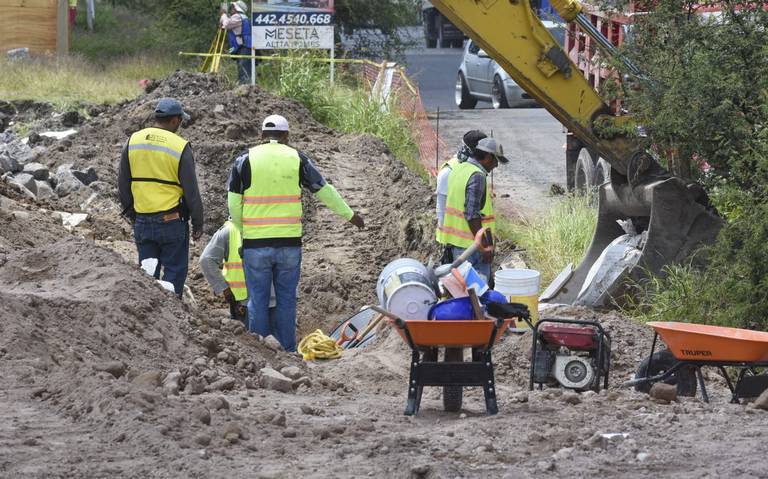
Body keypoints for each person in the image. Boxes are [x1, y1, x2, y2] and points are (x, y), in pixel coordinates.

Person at [227, 114, 364, 352]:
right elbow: (324, 190)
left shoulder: (244, 160)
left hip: (256, 246)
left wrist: (243, 231)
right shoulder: (297, 159)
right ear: (287, 136)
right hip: (289, 245)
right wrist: (349, 215)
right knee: (286, 300)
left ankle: (262, 353)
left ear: (261, 136)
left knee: (257, 301)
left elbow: (233, 206)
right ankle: (288, 351)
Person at [118, 98, 203, 297]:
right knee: (173, 279)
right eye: (180, 121)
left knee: (147, 279)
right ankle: (173, 322)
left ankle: (149, 320)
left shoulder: (133, 141)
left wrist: (132, 213)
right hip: (172, 222)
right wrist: (198, 223)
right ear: (174, 120)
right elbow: (191, 191)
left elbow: (123, 184)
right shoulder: (180, 147)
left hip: (142, 220)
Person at [442, 137, 508, 280]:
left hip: (456, 245)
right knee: (477, 292)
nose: (496, 165)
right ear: (488, 157)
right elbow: (471, 213)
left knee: (461, 291)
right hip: (472, 248)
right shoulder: (477, 176)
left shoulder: (458, 168)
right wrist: (484, 246)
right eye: (496, 160)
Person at [199, 220, 277, 325]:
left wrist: (224, 288)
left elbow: (206, 260)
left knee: (251, 339)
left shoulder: (229, 231)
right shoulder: (275, 225)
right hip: (275, 300)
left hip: (246, 303)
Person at [435, 130, 487, 264]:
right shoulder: (450, 171)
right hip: (463, 246)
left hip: (472, 242)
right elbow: (442, 213)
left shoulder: (472, 169)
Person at [220, 1, 253, 85]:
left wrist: (223, 14)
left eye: (232, 7)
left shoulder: (237, 17)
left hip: (244, 47)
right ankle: (243, 87)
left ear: (236, 8)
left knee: (244, 70)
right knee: (243, 69)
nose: (231, 9)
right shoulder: (243, 17)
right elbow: (224, 25)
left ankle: (244, 89)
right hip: (244, 46)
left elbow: (226, 24)